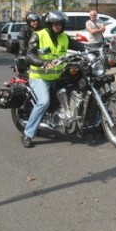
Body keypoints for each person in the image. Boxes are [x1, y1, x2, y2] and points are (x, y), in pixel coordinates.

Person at [22, 10, 86, 147]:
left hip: (58, 76)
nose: (58, 26)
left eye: (60, 24)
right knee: (44, 102)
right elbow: (29, 55)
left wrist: (92, 48)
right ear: (49, 24)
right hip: (39, 76)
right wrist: (42, 62)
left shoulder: (64, 37)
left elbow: (80, 46)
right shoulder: (38, 36)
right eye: (55, 24)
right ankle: (28, 134)